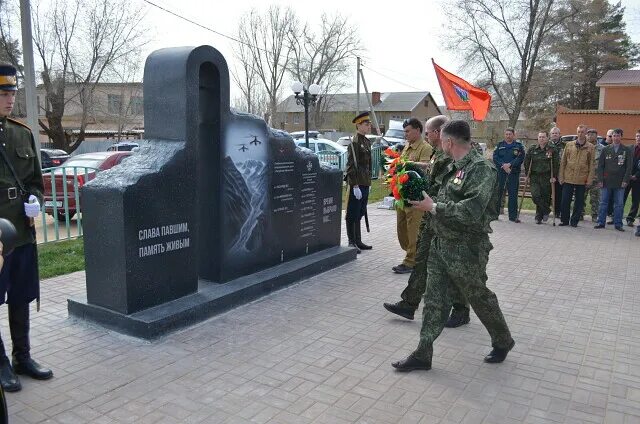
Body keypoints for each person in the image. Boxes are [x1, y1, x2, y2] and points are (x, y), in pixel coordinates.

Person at [391, 120, 514, 372]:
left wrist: (433, 207)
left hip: (467, 248)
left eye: (441, 141)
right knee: (434, 300)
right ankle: (423, 354)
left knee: (478, 296)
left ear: (448, 142)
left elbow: (471, 211)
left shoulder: (481, 170)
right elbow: (440, 193)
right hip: (440, 243)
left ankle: (503, 340)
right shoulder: (453, 167)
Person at [383, 115, 471, 327]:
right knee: (421, 261)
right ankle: (409, 303)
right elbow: (432, 178)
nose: (428, 135)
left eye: (430, 132)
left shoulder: (454, 155)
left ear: (440, 132)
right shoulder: (438, 154)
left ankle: (461, 309)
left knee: (453, 268)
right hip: (431, 216)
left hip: (445, 218)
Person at [0, 63, 52, 392]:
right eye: (3, 93)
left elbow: (35, 181)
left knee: (19, 297)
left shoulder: (23, 133)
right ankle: (1, 363)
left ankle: (23, 356)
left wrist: (35, 199)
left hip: (20, 232)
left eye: (12, 92)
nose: (9, 99)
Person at [392, 118, 432, 274]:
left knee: (413, 228)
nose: (405, 134)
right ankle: (412, 253)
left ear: (417, 129)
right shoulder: (407, 146)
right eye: (404, 131)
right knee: (401, 228)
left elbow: (426, 167)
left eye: (408, 131)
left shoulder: (425, 147)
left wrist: (409, 163)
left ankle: (410, 261)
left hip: (416, 196)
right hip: (403, 195)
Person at [344, 112, 373, 254]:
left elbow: (368, 165)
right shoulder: (355, 142)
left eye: (369, 124)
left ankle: (358, 240)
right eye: (366, 124)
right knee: (352, 213)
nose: (369, 126)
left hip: (365, 182)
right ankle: (351, 241)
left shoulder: (366, 141)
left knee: (361, 212)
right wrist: (354, 185)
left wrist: (369, 183)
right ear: (359, 125)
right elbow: (350, 166)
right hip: (357, 183)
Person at [594, 128, 633, 231]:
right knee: (603, 203)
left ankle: (618, 224)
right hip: (606, 181)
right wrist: (600, 180)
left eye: (618, 136)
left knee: (619, 204)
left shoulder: (626, 150)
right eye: (614, 136)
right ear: (612, 137)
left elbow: (629, 167)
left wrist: (625, 180)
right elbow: (600, 166)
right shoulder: (605, 149)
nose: (615, 138)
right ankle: (601, 222)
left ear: (621, 137)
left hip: (620, 182)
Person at [558, 125, 594, 227]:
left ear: (586, 133)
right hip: (568, 177)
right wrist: (561, 176)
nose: (580, 134)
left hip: (582, 179)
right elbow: (563, 161)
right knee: (565, 200)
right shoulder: (569, 145)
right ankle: (564, 220)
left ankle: (574, 221)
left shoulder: (590, 147)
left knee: (579, 202)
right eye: (578, 131)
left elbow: (592, 165)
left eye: (582, 132)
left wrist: (589, 180)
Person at [524, 131, 559, 224]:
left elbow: (556, 164)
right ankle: (546, 210)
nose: (541, 139)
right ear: (537, 138)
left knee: (545, 196)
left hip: (547, 176)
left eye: (543, 137)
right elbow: (527, 162)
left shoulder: (552, 149)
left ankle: (539, 216)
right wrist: (527, 174)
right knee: (535, 195)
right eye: (540, 137)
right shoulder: (532, 149)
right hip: (535, 176)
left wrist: (554, 176)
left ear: (547, 138)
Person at [493, 128, 525, 222]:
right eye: (506, 134)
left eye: (510, 134)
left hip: (513, 173)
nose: (508, 136)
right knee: (498, 194)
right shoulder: (500, 145)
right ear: (504, 135)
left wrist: (510, 165)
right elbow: (495, 157)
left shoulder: (518, 146)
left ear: (513, 135)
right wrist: (503, 165)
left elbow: (520, 158)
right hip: (501, 173)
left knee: (513, 194)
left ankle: (513, 216)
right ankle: (495, 215)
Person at [585, 128, 604, 221]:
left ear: (596, 136)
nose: (590, 136)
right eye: (588, 134)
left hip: (596, 177)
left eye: (592, 134)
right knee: (581, 197)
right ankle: (579, 214)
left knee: (595, 198)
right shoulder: (583, 147)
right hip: (584, 177)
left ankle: (595, 215)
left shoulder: (602, 148)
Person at [623, 130, 640, 227]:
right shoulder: (629, 148)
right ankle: (616, 217)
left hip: (638, 180)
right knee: (621, 198)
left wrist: (636, 176)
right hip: (627, 178)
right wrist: (628, 175)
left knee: (635, 200)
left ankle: (630, 219)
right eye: (637, 136)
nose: (638, 138)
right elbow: (624, 162)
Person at [549, 127, 563, 217]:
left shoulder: (565, 145)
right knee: (547, 193)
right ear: (550, 135)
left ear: (559, 134)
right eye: (553, 133)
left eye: (556, 133)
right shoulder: (547, 145)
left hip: (560, 173)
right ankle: (545, 210)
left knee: (559, 193)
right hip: (548, 172)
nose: (554, 135)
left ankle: (557, 212)